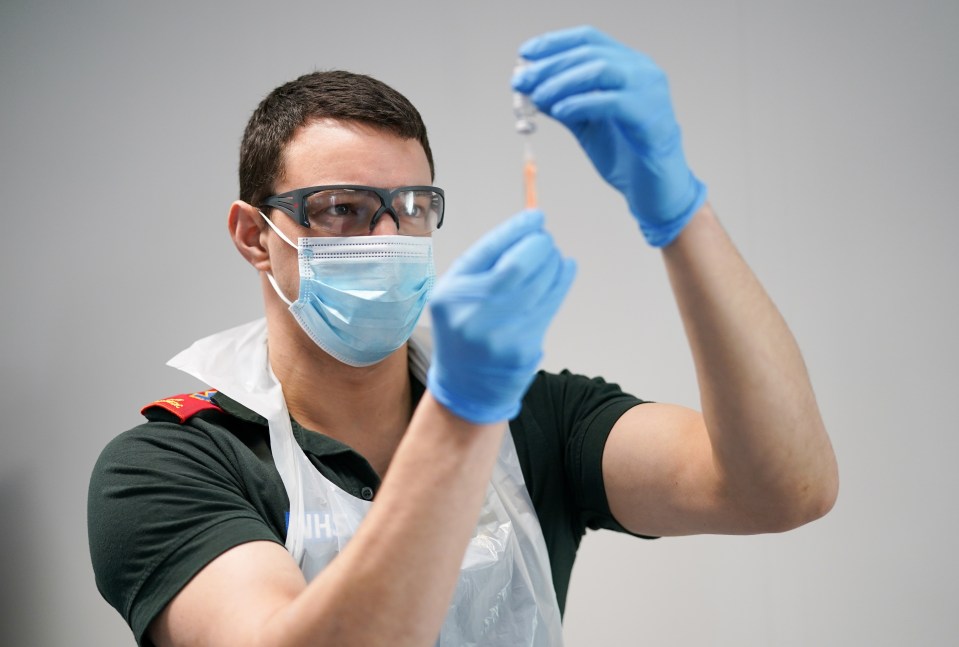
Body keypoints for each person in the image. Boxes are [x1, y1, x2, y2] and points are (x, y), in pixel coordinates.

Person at [88, 25, 838, 647]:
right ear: (255, 236)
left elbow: (780, 487)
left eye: (411, 206)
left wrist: (679, 210)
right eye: (343, 208)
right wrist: (461, 411)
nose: (387, 235)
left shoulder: (534, 419)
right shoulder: (170, 465)